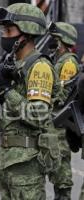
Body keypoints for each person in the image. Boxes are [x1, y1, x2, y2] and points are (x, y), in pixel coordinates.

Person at [0, 3, 60, 199]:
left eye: (9, 30)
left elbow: (38, 116)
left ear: (27, 33)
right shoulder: (13, 64)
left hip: (26, 163)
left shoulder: (39, 67)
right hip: (8, 158)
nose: (4, 35)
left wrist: (7, 90)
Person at [47, 21, 79, 200]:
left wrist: (45, 99)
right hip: (55, 125)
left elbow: (64, 96)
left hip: (61, 126)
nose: (52, 42)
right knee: (56, 169)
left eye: (55, 39)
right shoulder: (58, 61)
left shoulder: (68, 63)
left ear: (62, 41)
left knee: (61, 173)